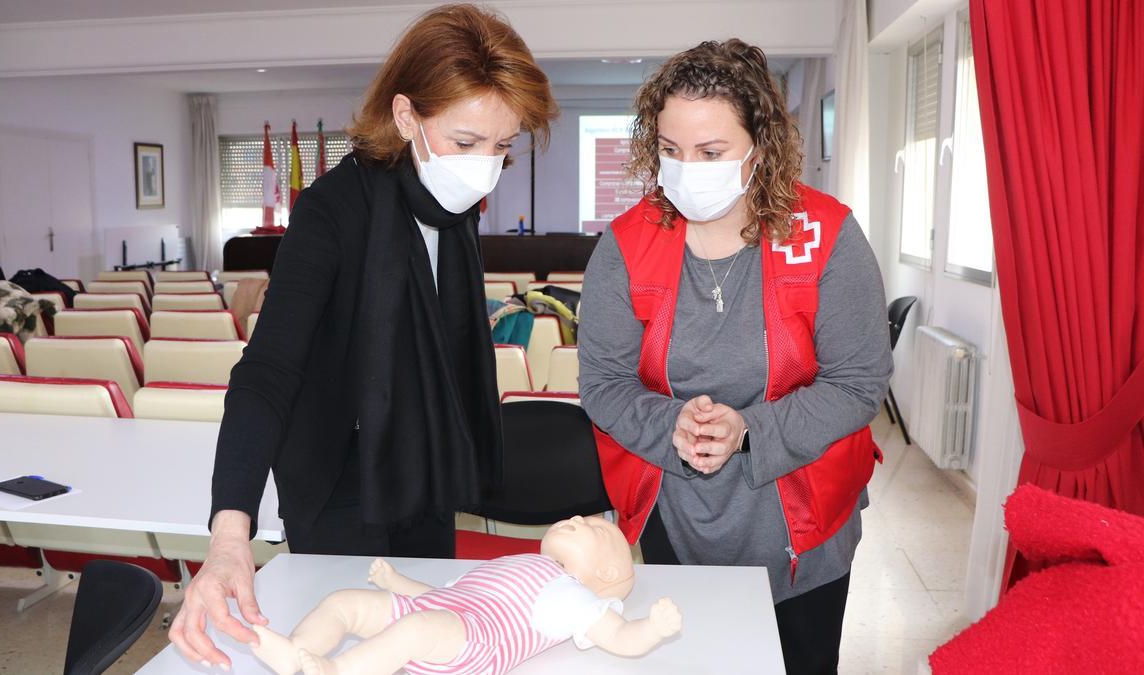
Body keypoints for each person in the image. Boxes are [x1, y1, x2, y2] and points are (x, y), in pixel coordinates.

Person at [168, 5, 558, 669]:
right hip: (339, 474)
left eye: (502, 147)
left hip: (425, 464)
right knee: (343, 646)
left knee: (424, 643)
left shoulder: (452, 210)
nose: (485, 167)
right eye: (466, 142)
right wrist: (231, 531)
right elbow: (268, 372)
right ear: (406, 117)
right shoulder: (331, 211)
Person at [578, 39, 892, 675]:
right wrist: (674, 425)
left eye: (711, 152)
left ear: (760, 146)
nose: (687, 168)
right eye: (670, 151)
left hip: (805, 525)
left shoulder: (826, 235)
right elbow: (604, 384)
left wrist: (751, 428)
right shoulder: (625, 246)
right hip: (676, 518)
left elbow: (859, 382)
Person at [249, 515, 681, 675]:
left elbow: (621, 638)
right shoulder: (522, 564)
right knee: (344, 601)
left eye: (595, 528)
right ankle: (297, 654)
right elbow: (448, 594)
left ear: (604, 572)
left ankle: (336, 671)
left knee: (416, 630)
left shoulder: (572, 596)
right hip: (445, 612)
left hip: (477, 643)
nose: (576, 518)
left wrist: (652, 629)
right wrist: (397, 583)